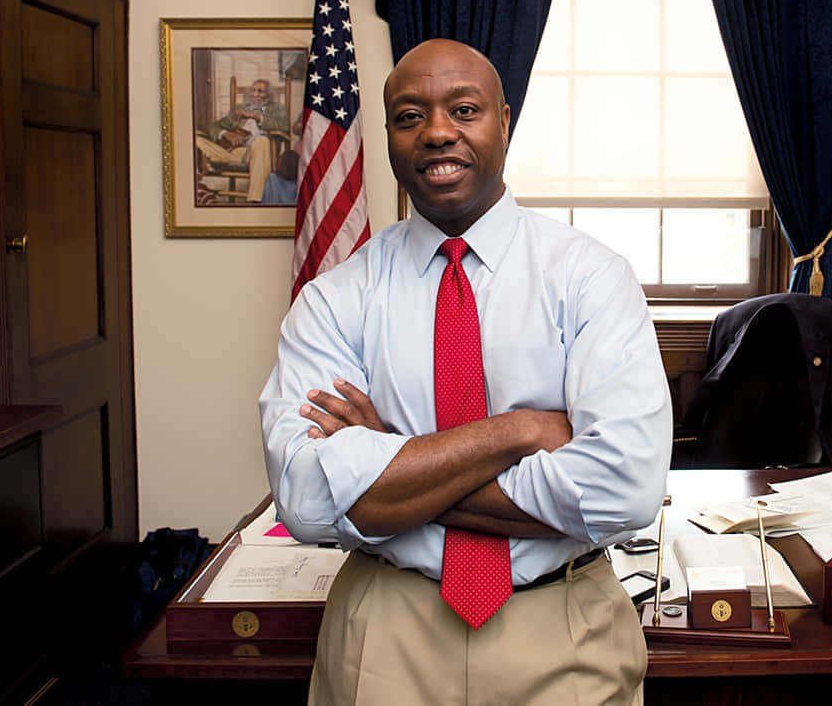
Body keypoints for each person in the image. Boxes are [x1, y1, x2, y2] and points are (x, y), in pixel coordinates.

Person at [259, 38, 671, 704]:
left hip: (563, 628)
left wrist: (387, 464)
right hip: (387, 630)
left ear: (504, 122)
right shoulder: (334, 298)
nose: (438, 132)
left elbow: (622, 490)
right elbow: (308, 503)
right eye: (409, 116)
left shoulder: (590, 278)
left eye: (464, 108)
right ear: (391, 135)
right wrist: (518, 431)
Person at [195, 78, 290, 202]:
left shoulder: (277, 109)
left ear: (269, 95)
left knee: (262, 140)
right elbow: (214, 126)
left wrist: (256, 116)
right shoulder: (240, 108)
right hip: (232, 152)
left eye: (260, 91)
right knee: (195, 138)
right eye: (253, 90)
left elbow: (284, 126)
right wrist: (226, 133)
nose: (256, 94)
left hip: (257, 153)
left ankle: (256, 199)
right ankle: (208, 163)